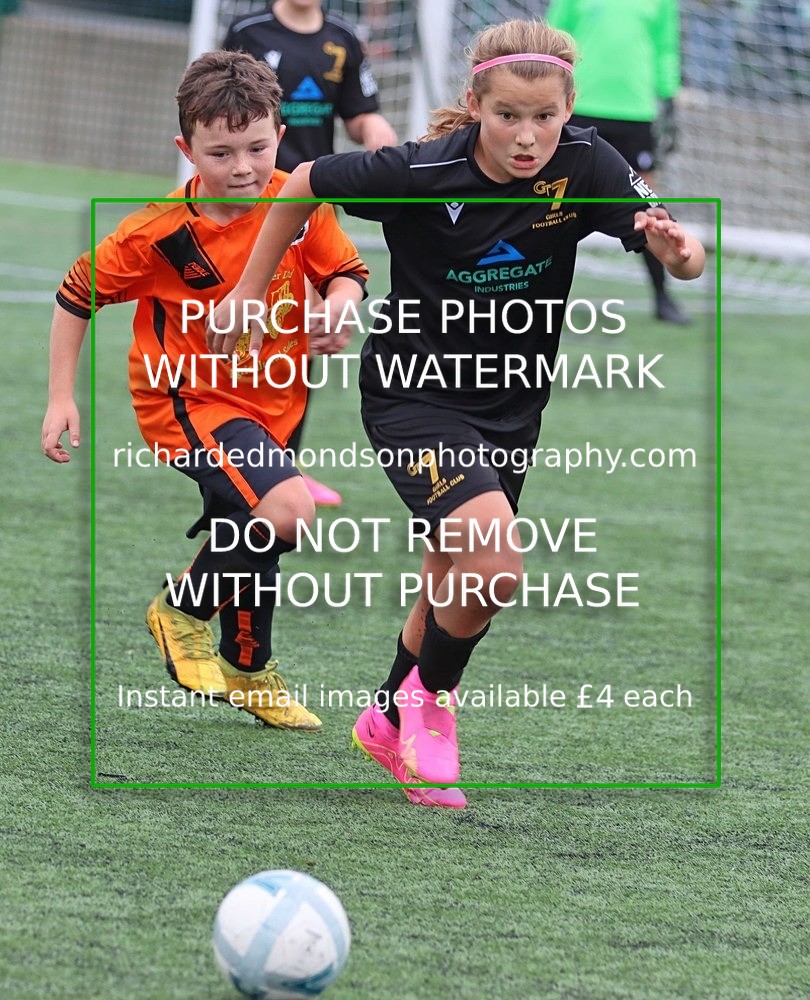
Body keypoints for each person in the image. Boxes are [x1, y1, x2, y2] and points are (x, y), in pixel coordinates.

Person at [208, 20, 706, 806]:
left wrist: (678, 254)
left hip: (512, 407)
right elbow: (301, 181)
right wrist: (247, 292)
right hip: (413, 395)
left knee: (452, 573)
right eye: (507, 115)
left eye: (544, 116)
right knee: (495, 566)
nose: (527, 136)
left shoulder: (586, 162)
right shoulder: (420, 170)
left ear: (569, 106)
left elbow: (686, 251)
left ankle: (385, 719)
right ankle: (432, 701)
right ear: (475, 104)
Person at [40, 50, 371, 733]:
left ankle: (250, 668)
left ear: (280, 135)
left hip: (275, 401)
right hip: (187, 402)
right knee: (287, 510)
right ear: (186, 150)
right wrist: (60, 396)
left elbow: (346, 272)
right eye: (221, 153)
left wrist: (338, 306)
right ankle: (181, 612)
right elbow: (76, 293)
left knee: (251, 531)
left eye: (257, 147)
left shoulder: (298, 199)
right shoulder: (158, 233)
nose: (243, 167)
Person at [224, 0, 398, 507]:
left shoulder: (342, 38)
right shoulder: (249, 31)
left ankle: (281, 465)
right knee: (262, 326)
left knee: (306, 331)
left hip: (314, 204)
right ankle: (239, 451)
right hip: (257, 202)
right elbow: (217, 115)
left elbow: (359, 112)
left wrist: (375, 131)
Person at [546, 0, 692, 324]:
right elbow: (553, 39)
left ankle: (662, 296)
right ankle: (534, 296)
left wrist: (668, 94)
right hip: (579, 106)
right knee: (552, 207)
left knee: (648, 209)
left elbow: (666, 47)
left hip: (636, 112)